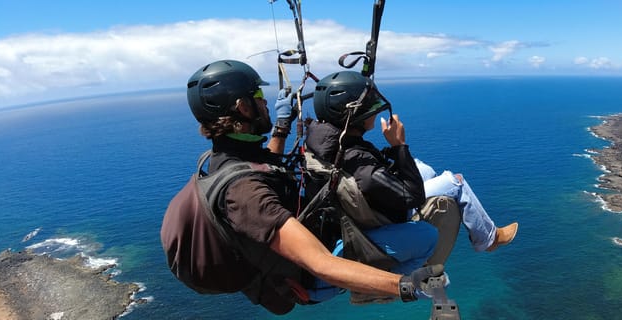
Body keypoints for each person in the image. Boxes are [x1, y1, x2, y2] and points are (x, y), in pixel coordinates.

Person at [167, 59, 443, 314]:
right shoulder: (245, 195)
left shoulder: (226, 158)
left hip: (312, 243)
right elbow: (320, 263)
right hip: (309, 280)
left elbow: (267, 165)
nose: (266, 105)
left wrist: (283, 126)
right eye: (260, 98)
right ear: (243, 107)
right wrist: (405, 285)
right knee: (427, 237)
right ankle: (370, 293)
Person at [306, 71, 519, 254]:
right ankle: (489, 239)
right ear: (353, 116)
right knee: (456, 182)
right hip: (385, 214)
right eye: (369, 108)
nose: (374, 111)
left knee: (423, 168)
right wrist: (399, 145)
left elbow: (365, 165)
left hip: (369, 199)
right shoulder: (359, 163)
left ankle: (448, 201)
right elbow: (412, 196)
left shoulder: (329, 141)